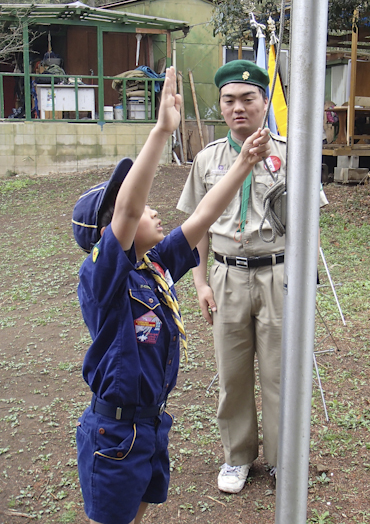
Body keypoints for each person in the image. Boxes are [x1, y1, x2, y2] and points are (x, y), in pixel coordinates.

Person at [71, 65, 270, 524]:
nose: (152, 210)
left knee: (138, 512)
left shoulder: (153, 264)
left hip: (149, 424)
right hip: (114, 432)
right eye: (140, 208)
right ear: (110, 232)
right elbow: (128, 207)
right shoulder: (104, 278)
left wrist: (242, 164)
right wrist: (162, 130)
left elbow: (202, 216)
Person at [177, 60, 328, 494]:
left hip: (277, 276)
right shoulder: (207, 160)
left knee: (282, 371)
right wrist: (201, 282)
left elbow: (309, 226)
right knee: (233, 372)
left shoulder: (292, 155)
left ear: (265, 103)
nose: (238, 108)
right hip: (226, 277)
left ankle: (284, 458)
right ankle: (237, 457)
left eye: (248, 99)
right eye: (229, 100)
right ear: (221, 107)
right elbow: (199, 228)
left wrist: (302, 282)